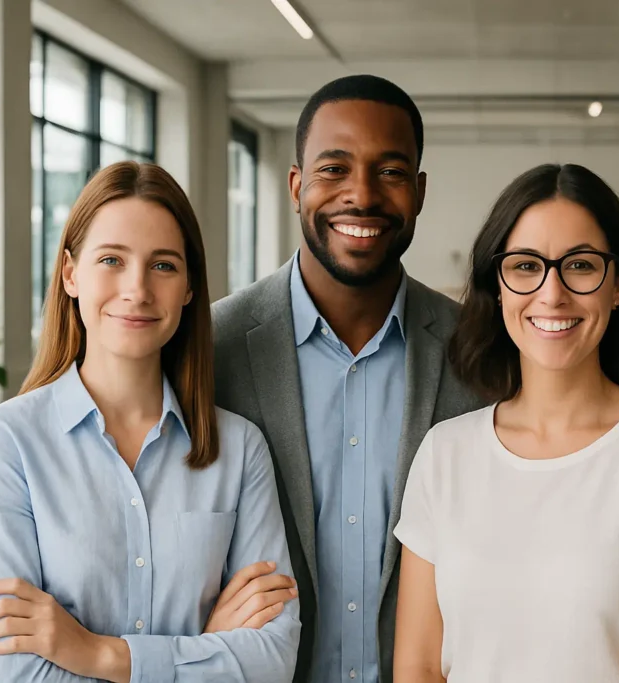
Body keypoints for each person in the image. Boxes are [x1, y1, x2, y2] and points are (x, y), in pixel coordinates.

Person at [392, 163, 619, 683]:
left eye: (579, 266)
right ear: (499, 283)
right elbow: (419, 666)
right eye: (526, 266)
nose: (552, 294)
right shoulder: (446, 453)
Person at [0, 161, 301, 682]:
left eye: (163, 265)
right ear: (71, 274)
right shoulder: (7, 444)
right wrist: (206, 650)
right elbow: (14, 674)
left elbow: (272, 661)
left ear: (190, 288)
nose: (137, 289)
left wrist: (97, 653)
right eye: (112, 260)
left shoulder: (239, 448)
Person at [211, 75, 483, 683]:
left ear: (418, 192)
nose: (361, 195)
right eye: (333, 168)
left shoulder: (482, 351)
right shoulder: (210, 348)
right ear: (294, 185)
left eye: (389, 172)